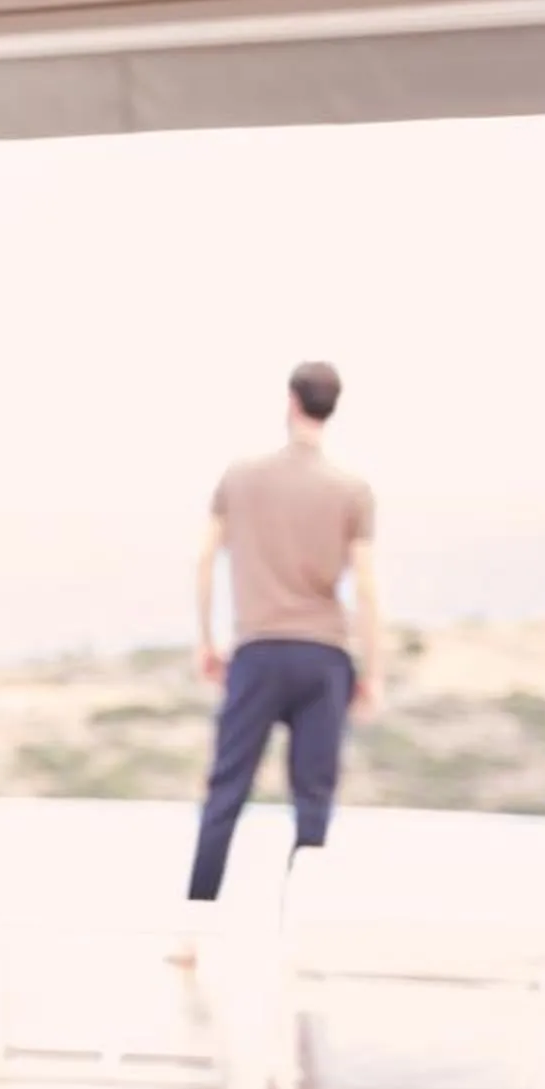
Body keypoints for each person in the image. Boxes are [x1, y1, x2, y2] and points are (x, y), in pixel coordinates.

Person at [188, 360, 382, 902]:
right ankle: (304, 920)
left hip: (257, 650)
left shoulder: (240, 478)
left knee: (225, 792)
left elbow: (204, 560)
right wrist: (372, 671)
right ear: (333, 407)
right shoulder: (352, 490)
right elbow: (366, 588)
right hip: (324, 657)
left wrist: (207, 641)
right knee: (313, 801)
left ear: (291, 400)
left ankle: (196, 921)